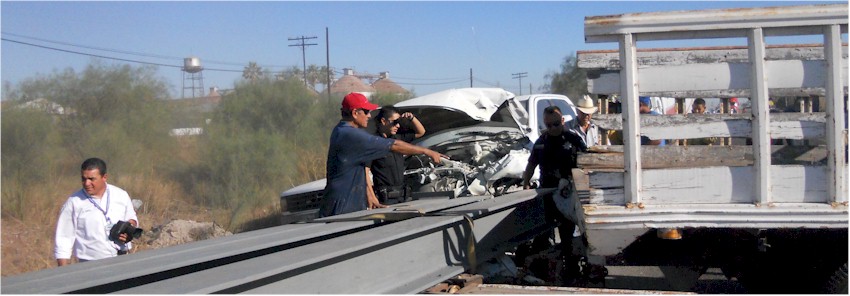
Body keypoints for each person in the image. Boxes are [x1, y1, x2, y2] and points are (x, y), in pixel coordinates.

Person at [319, 92, 445, 217]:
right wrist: (426, 151)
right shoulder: (350, 135)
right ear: (355, 113)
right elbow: (394, 145)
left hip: (347, 204)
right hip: (342, 206)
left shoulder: (341, 130)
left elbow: (361, 169)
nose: (369, 116)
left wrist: (370, 195)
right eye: (366, 111)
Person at [55, 158, 139, 266]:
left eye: (91, 179)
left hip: (122, 259)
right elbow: (63, 238)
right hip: (90, 265)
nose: (87, 183)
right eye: (83, 179)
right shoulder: (74, 202)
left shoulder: (120, 195)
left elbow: (132, 218)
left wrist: (129, 229)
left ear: (104, 177)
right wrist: (63, 273)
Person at [367, 106, 426, 204]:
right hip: (384, 198)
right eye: (395, 122)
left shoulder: (398, 139)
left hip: (402, 196)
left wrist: (412, 118)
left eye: (399, 122)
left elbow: (421, 132)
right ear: (383, 121)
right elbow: (365, 172)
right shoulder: (374, 143)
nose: (398, 125)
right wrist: (372, 197)